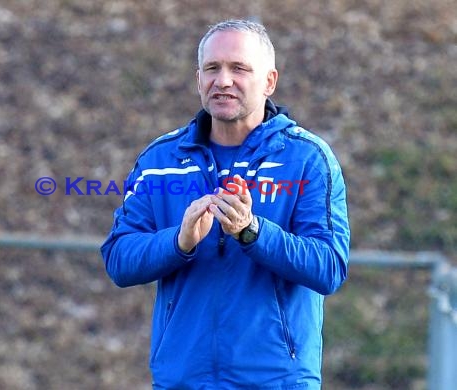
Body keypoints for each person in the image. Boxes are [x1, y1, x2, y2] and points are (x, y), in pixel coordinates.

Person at [101, 19, 350, 389]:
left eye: (239, 68)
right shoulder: (160, 160)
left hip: (277, 381)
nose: (223, 80)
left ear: (269, 81)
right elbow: (119, 258)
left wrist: (253, 233)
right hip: (183, 380)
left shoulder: (308, 159)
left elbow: (328, 266)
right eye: (212, 68)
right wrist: (179, 242)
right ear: (198, 79)